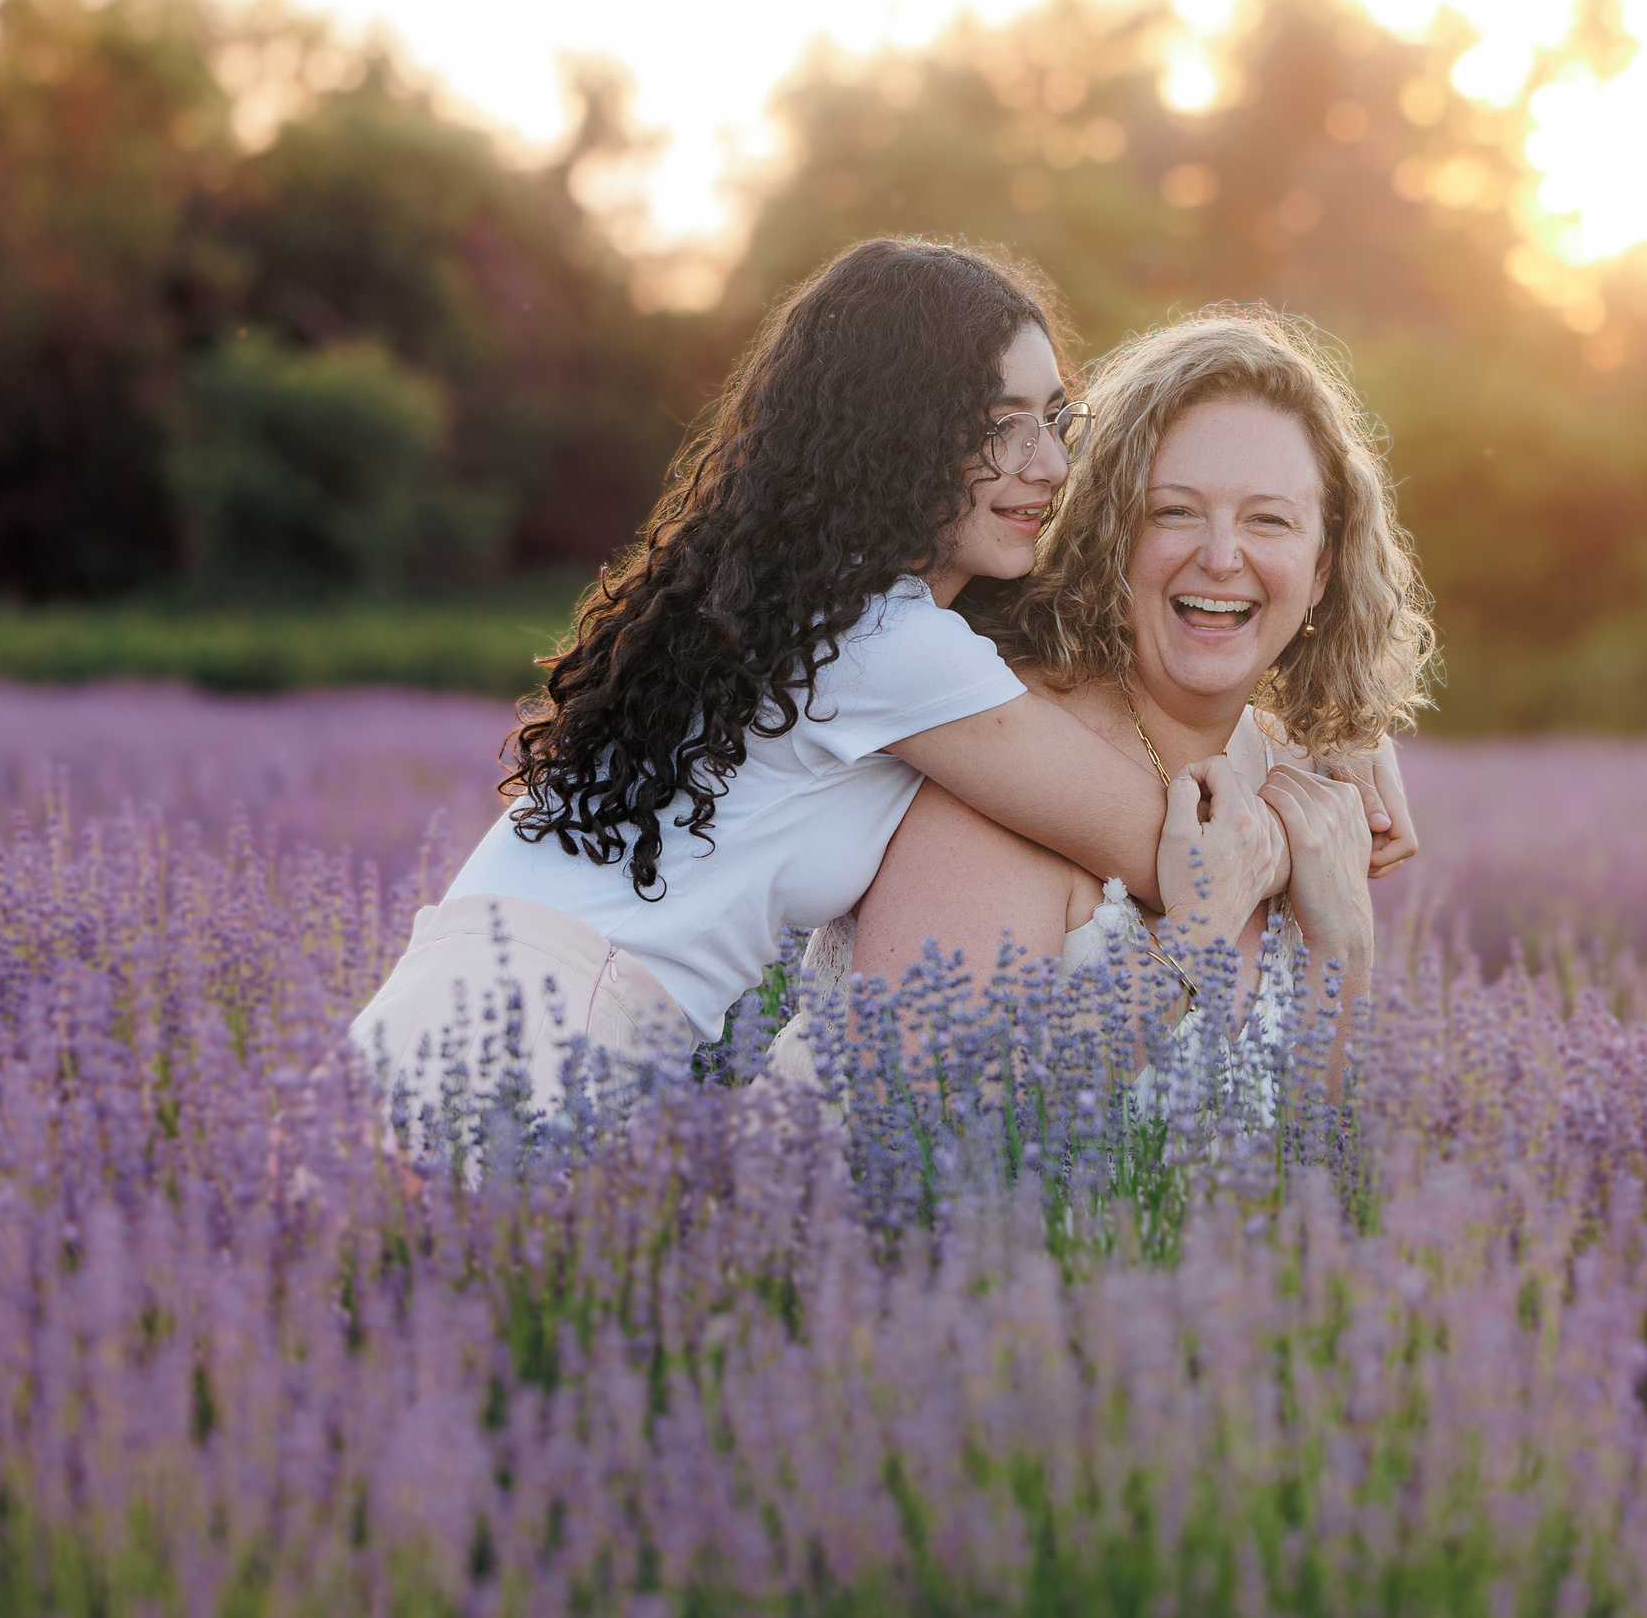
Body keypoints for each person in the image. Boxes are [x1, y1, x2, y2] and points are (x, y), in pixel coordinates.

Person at [353, 242, 1406, 1140]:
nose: (1049, 465)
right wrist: (1301, 820)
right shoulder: (890, 648)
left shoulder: (826, 609)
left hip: (472, 998)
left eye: (1055, 418)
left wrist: (1335, 723)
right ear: (901, 437)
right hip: (538, 1041)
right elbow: (1159, 836)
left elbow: (1111, 620)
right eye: (1001, 426)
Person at [768, 304, 1434, 1102]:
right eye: (1174, 511)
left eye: (1269, 520)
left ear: (1323, 568)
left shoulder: (1300, 775)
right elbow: (929, 1134)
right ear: (1108, 533)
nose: (1222, 557)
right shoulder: (1005, 768)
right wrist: (1193, 944)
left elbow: (1314, 1159)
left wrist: (1344, 943)